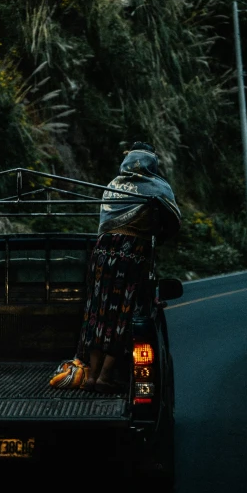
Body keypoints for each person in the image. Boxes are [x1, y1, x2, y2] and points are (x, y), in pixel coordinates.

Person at [76, 141, 181, 393]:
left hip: (101, 252)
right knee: (122, 313)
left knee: (98, 311)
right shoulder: (157, 186)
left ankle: (90, 376)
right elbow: (174, 221)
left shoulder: (112, 185)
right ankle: (105, 376)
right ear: (151, 163)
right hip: (131, 254)